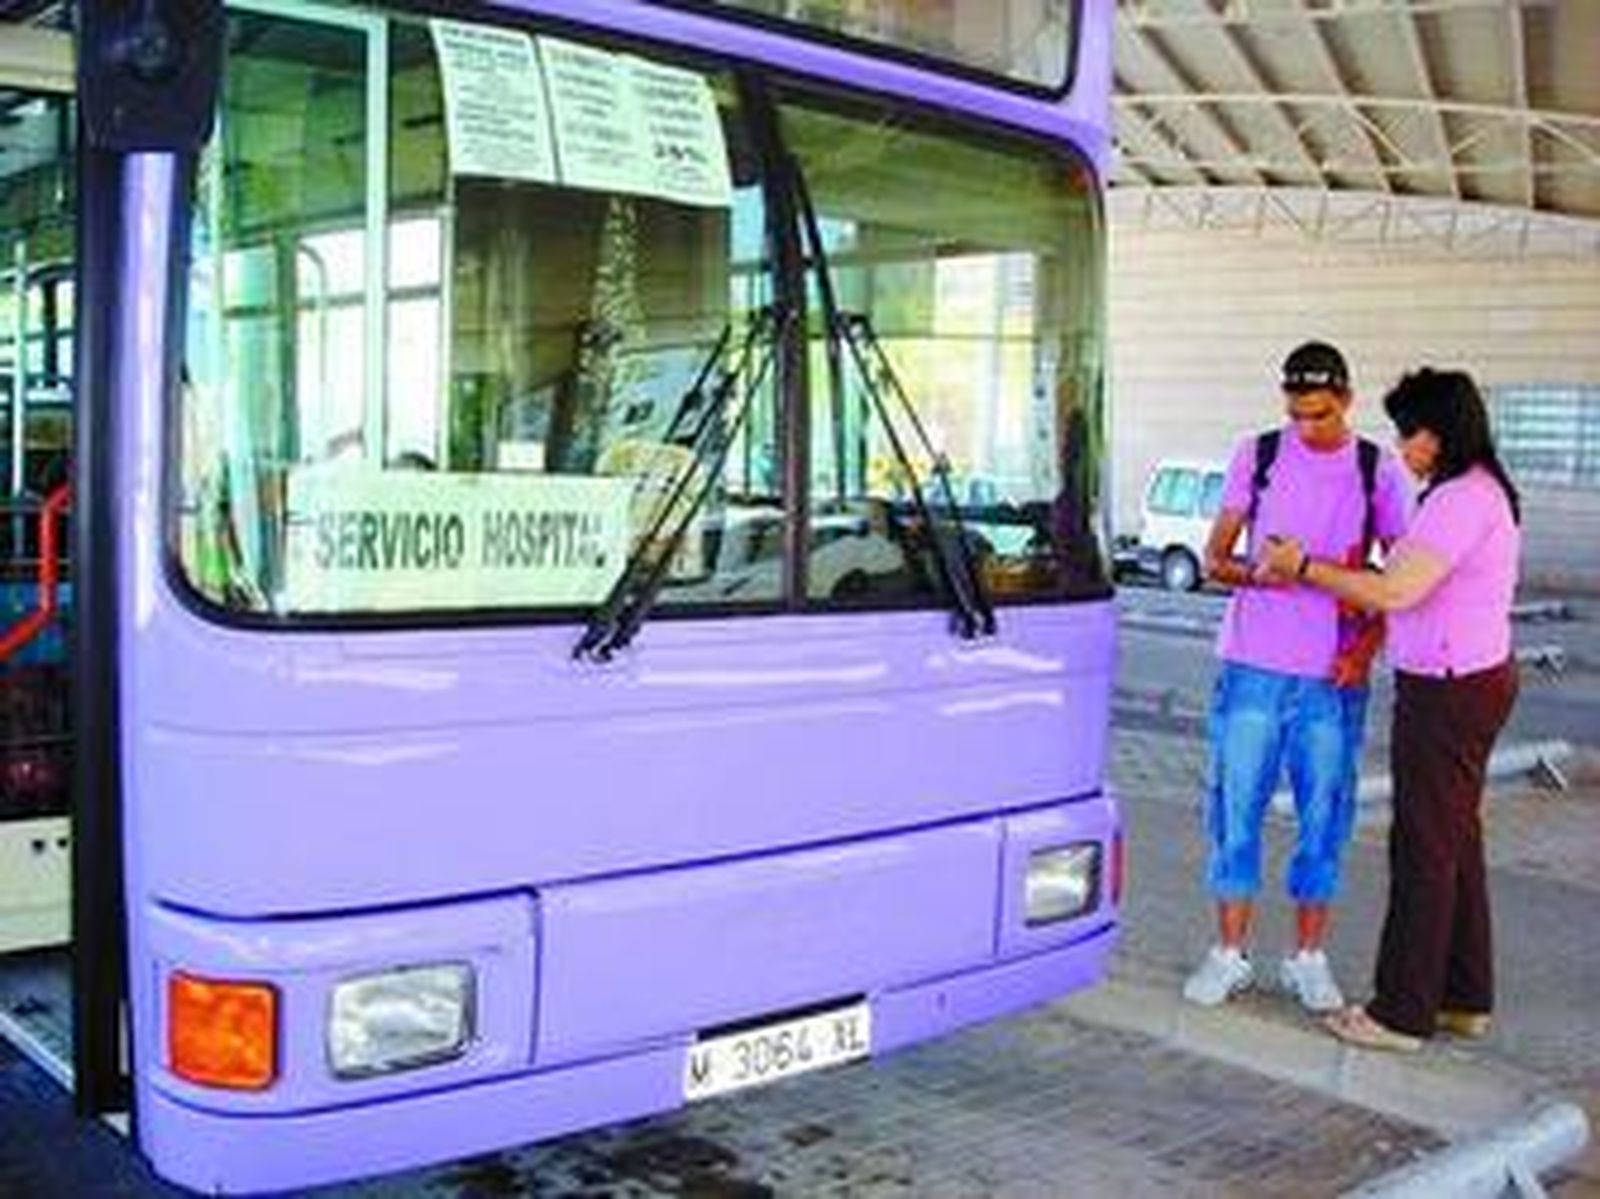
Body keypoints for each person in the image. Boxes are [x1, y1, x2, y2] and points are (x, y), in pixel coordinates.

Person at [1260, 367, 1520, 1051]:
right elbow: (1408, 580)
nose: (1403, 448)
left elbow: (1395, 593)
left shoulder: (1460, 499)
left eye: (1411, 434)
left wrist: (1304, 566)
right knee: (1455, 841)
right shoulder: (1478, 491)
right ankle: (1462, 996)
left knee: (1424, 849)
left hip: (1447, 691)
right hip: (1471, 680)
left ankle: (1401, 1013)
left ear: (1442, 433)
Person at [1183, 341, 1412, 1014]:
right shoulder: (1256, 455)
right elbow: (1215, 559)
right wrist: (1262, 572)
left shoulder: (1376, 469)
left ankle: (1307, 958)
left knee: (1324, 818)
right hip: (1252, 667)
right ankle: (1230, 953)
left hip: (1330, 681)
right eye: (1296, 413)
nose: (1306, 427)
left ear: (1346, 400)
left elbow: (1401, 580)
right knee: (1234, 810)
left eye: (1319, 414)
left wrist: (1364, 649)